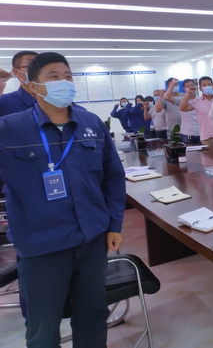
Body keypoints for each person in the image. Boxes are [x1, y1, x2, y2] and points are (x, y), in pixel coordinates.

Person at [0, 52, 125, 347]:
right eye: (53, 77)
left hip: (91, 239)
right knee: (43, 326)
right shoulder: (9, 129)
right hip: (41, 245)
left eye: (68, 76)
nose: (64, 83)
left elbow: (113, 177)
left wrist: (114, 225)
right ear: (33, 86)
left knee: (93, 315)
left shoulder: (91, 123)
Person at [181, 76, 213, 149]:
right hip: (206, 138)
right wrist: (188, 92)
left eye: (209, 84)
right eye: (204, 85)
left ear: (212, 86)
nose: (207, 86)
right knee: (207, 156)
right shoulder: (197, 101)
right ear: (200, 88)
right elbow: (183, 108)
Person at [0, 51, 38, 118]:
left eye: (42, 66)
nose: (38, 70)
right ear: (16, 72)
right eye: (31, 66)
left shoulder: (53, 100)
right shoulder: (5, 102)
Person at [179, 79, 201, 144]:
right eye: (187, 86)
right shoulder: (180, 99)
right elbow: (167, 97)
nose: (190, 88)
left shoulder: (201, 99)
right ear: (184, 88)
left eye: (192, 85)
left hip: (200, 132)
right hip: (187, 133)